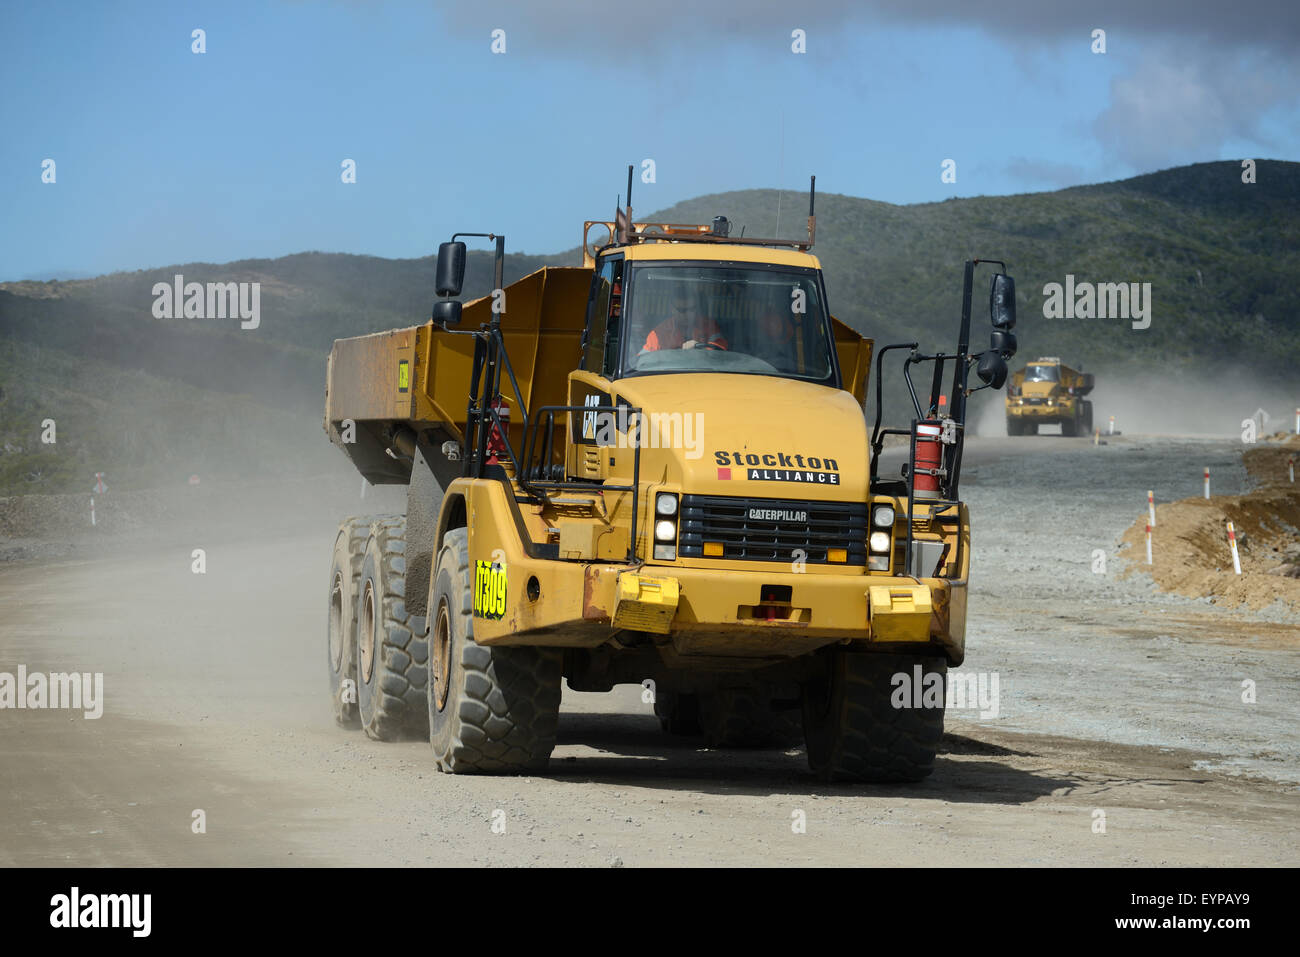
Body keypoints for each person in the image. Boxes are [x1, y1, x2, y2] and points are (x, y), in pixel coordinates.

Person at [642, 289, 728, 352]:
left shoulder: (709, 325)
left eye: (691, 309)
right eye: (682, 310)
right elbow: (643, 360)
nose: (687, 315)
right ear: (672, 309)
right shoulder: (659, 333)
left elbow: (721, 349)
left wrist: (700, 348)